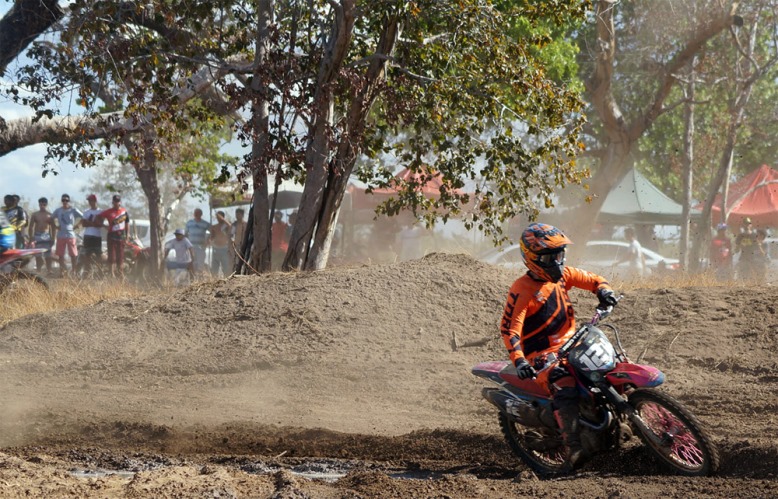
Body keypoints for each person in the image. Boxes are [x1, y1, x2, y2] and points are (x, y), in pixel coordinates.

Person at [500, 222, 617, 469]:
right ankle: (573, 446)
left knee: (610, 365)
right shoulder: (522, 289)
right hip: (542, 355)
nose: (556, 262)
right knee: (565, 386)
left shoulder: (563, 275)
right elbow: (510, 328)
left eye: (559, 255)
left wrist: (605, 292)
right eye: (549, 257)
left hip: (575, 342)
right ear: (532, 258)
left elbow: (594, 280)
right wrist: (519, 360)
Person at [97, 194, 130, 279]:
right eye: (115, 201)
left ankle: (120, 273)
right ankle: (111, 274)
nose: (116, 203)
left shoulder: (124, 211)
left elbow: (127, 224)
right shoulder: (108, 212)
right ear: (112, 202)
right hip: (112, 235)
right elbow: (98, 217)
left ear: (120, 202)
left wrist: (127, 236)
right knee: (112, 255)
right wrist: (104, 226)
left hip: (121, 235)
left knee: (121, 256)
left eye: (118, 201)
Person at [51, 194, 83, 277]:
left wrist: (77, 226)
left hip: (70, 234)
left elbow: (83, 217)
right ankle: (62, 272)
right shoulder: (58, 210)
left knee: (73, 254)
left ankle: (74, 272)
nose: (65, 202)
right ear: (61, 201)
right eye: (63, 200)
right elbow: (51, 218)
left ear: (69, 201)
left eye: (66, 200)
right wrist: (55, 226)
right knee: (60, 254)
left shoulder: (73, 210)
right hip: (61, 234)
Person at [28, 197, 55, 273]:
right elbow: (31, 226)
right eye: (41, 203)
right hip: (37, 235)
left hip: (46, 235)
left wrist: (53, 238)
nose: (42, 205)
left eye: (44, 203)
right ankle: (39, 269)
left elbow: (53, 227)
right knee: (38, 255)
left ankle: (49, 270)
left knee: (48, 254)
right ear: (39, 204)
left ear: (46, 204)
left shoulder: (50, 215)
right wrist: (31, 237)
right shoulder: (35, 214)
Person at [80, 194, 104, 275]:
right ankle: (87, 271)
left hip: (97, 236)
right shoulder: (86, 212)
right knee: (87, 254)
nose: (90, 202)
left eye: (91, 200)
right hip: (88, 235)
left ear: (95, 201)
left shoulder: (100, 211)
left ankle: (99, 272)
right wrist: (94, 223)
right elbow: (83, 224)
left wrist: (90, 223)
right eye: (89, 201)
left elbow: (100, 224)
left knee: (98, 255)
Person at [185, 208, 210, 275]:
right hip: (191, 247)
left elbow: (212, 232)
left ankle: (200, 279)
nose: (196, 214)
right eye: (195, 213)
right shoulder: (189, 223)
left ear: (201, 214)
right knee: (191, 263)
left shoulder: (205, 223)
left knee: (200, 264)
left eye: (198, 213)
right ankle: (192, 279)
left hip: (201, 247)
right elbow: (185, 234)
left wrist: (207, 241)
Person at [209, 210, 232, 277]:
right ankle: (214, 279)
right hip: (216, 248)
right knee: (214, 267)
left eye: (219, 217)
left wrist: (222, 219)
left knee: (225, 266)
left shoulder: (226, 226)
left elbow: (230, 226)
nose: (218, 218)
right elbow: (212, 237)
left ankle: (227, 279)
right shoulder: (214, 226)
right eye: (217, 217)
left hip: (224, 249)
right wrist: (209, 239)